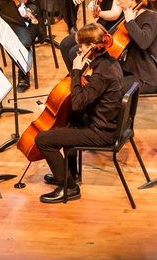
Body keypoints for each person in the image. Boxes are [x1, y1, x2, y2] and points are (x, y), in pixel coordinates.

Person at [34, 23, 125, 204]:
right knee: (69, 120)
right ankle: (70, 175)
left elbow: (77, 104)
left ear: (92, 46)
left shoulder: (101, 74)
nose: (79, 50)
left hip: (101, 132)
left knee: (42, 140)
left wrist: (76, 71)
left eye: (81, 46)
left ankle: (69, 187)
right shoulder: (109, 62)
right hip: (106, 122)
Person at [109, 0, 157, 94]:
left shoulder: (149, 17)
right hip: (132, 70)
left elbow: (143, 42)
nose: (117, 3)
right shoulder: (131, 12)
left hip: (147, 78)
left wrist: (130, 22)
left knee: (109, 89)